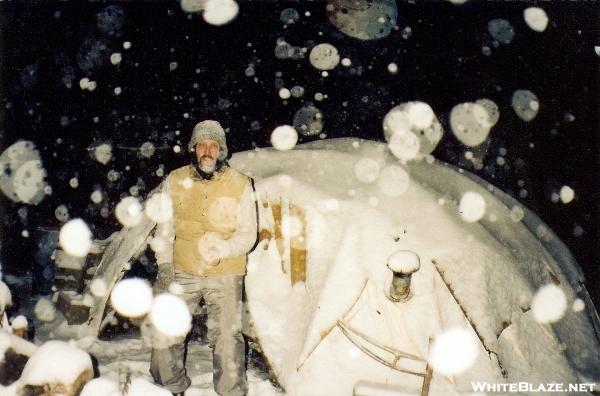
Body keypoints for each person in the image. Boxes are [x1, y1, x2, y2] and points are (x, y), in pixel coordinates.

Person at [149, 120, 257, 396]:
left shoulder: (241, 184)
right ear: (193, 149)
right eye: (202, 145)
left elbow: (248, 235)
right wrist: (164, 265)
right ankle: (170, 387)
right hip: (184, 268)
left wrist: (222, 249)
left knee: (227, 337)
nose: (207, 151)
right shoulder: (174, 180)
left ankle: (230, 391)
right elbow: (164, 229)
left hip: (226, 271)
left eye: (213, 146)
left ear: (221, 151)